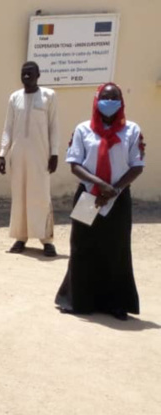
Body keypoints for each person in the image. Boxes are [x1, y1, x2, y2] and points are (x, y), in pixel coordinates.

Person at [56, 83, 145, 321]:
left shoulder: (131, 130)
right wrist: (100, 185)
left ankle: (115, 303)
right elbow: (75, 164)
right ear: (96, 101)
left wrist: (114, 189)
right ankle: (78, 300)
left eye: (114, 97)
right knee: (82, 246)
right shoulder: (83, 129)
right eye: (105, 97)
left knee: (116, 249)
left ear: (121, 101)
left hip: (118, 198)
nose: (109, 101)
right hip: (88, 196)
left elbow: (137, 165)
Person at [0, 61, 60, 257]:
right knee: (20, 196)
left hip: (41, 155)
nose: (26, 76)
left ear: (38, 74)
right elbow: (8, 127)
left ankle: (46, 240)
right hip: (18, 154)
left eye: (30, 73)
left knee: (41, 196)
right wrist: (2, 153)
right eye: (23, 73)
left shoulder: (49, 96)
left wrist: (55, 153)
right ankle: (20, 237)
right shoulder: (14, 98)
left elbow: (54, 126)